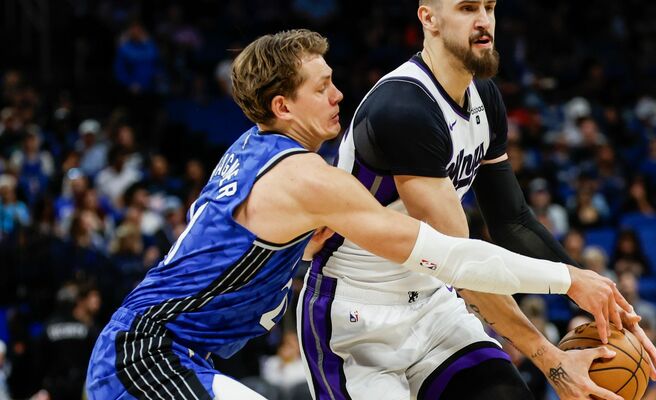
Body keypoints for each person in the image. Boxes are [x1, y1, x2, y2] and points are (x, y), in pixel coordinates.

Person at [85, 29, 627, 400]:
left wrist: (296, 244)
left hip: (167, 350)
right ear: (282, 106)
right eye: (322, 87)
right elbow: (445, 255)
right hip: (148, 356)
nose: (338, 95)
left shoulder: (256, 151)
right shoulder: (307, 179)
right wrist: (569, 278)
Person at [300, 1, 656, 399]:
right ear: (429, 18)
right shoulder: (402, 108)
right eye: (467, 8)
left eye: (489, 7)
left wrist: (602, 301)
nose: (483, 21)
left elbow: (512, 221)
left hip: (434, 306)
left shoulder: (484, 96)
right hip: (357, 315)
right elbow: (458, 261)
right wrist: (550, 358)